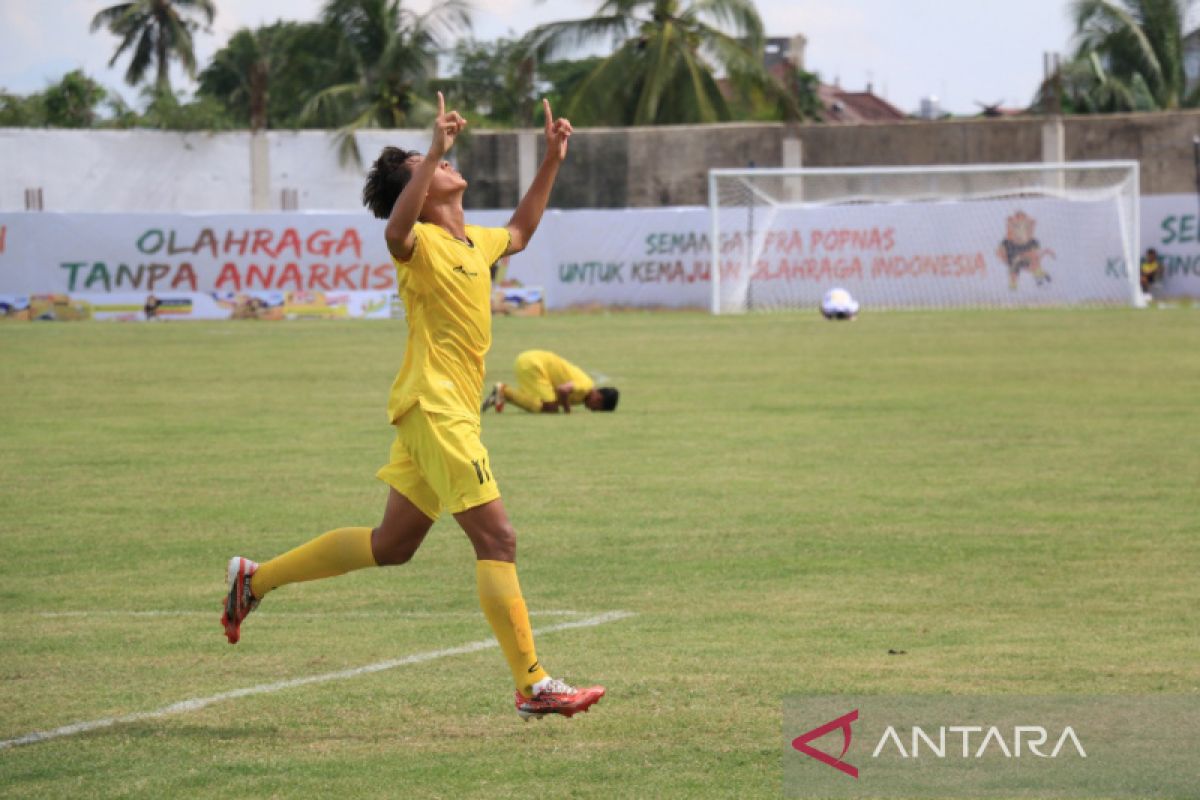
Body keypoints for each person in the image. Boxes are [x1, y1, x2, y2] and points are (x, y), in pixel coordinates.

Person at [221, 93, 604, 721]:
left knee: (392, 544)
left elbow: (522, 231)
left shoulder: (472, 242)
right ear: (423, 189)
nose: (448, 164)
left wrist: (552, 159)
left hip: (441, 412)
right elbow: (394, 230)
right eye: (429, 165)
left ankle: (253, 580)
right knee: (498, 537)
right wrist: (430, 152)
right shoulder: (418, 240)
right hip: (436, 409)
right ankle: (533, 684)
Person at [482, 350, 618, 414]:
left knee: (545, 404)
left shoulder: (583, 394)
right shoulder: (585, 387)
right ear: (599, 398)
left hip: (529, 361)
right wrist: (567, 410)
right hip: (533, 365)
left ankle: (503, 395)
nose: (591, 409)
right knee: (550, 407)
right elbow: (563, 390)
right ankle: (504, 392)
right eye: (596, 408)